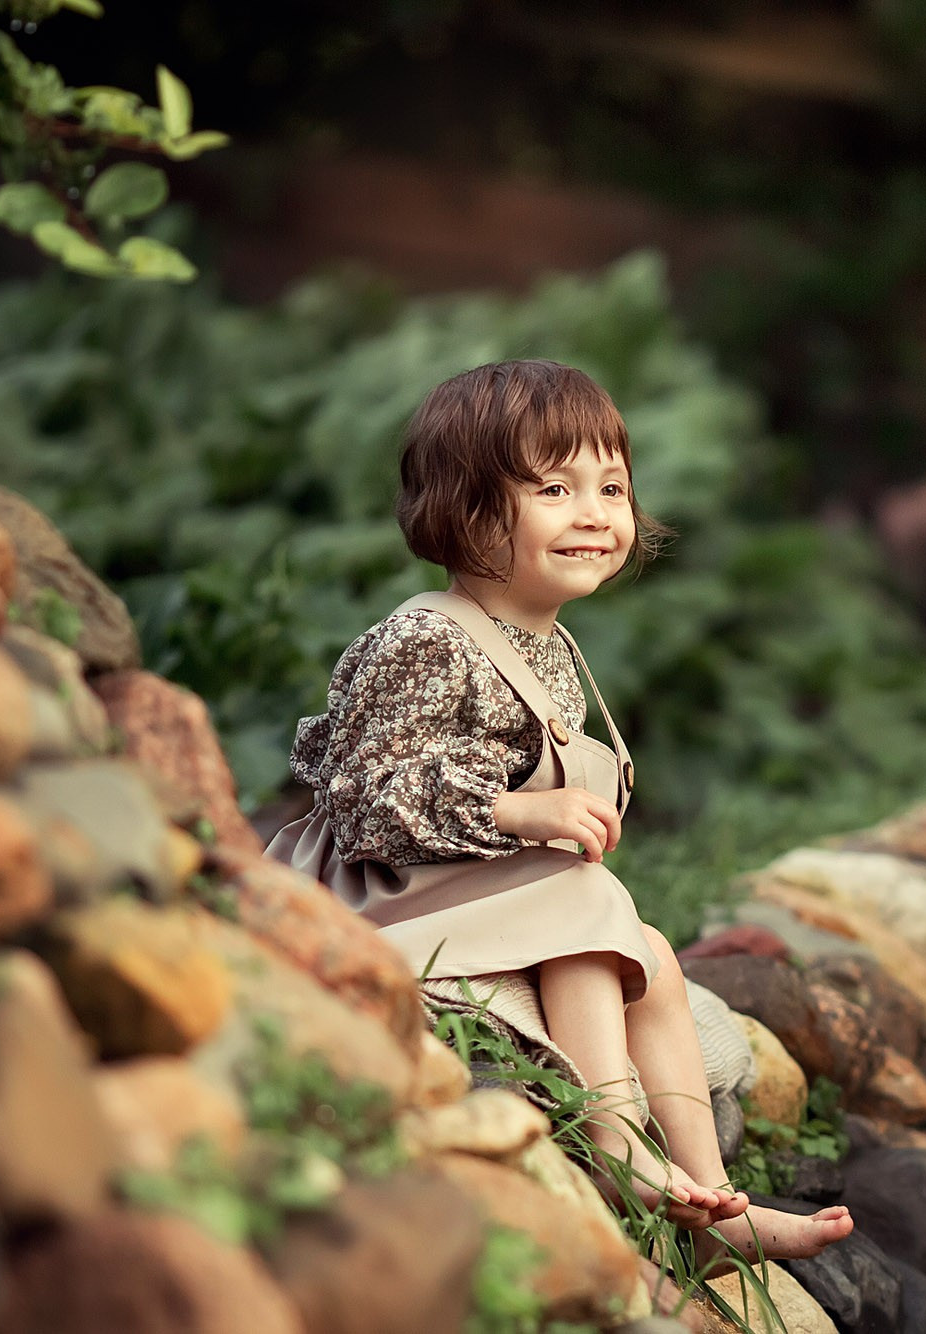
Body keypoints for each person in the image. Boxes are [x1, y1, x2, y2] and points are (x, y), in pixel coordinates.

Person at [270, 359, 853, 1263]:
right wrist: (521, 815)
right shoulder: (425, 637)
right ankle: (620, 1147)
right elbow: (363, 801)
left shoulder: (549, 644)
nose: (596, 513)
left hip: (476, 884)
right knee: (587, 903)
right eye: (555, 487)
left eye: (611, 487)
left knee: (650, 956)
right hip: (380, 891)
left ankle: (714, 1195)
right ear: (466, 512)